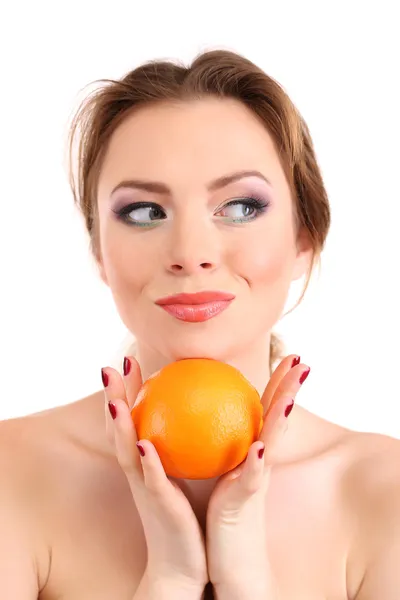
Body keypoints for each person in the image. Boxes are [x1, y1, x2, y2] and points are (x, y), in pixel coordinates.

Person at [0, 48, 399, 600]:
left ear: (304, 237)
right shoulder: (12, 474)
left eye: (239, 207)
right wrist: (170, 579)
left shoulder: (385, 493)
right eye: (145, 212)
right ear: (98, 250)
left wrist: (246, 580)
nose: (190, 253)